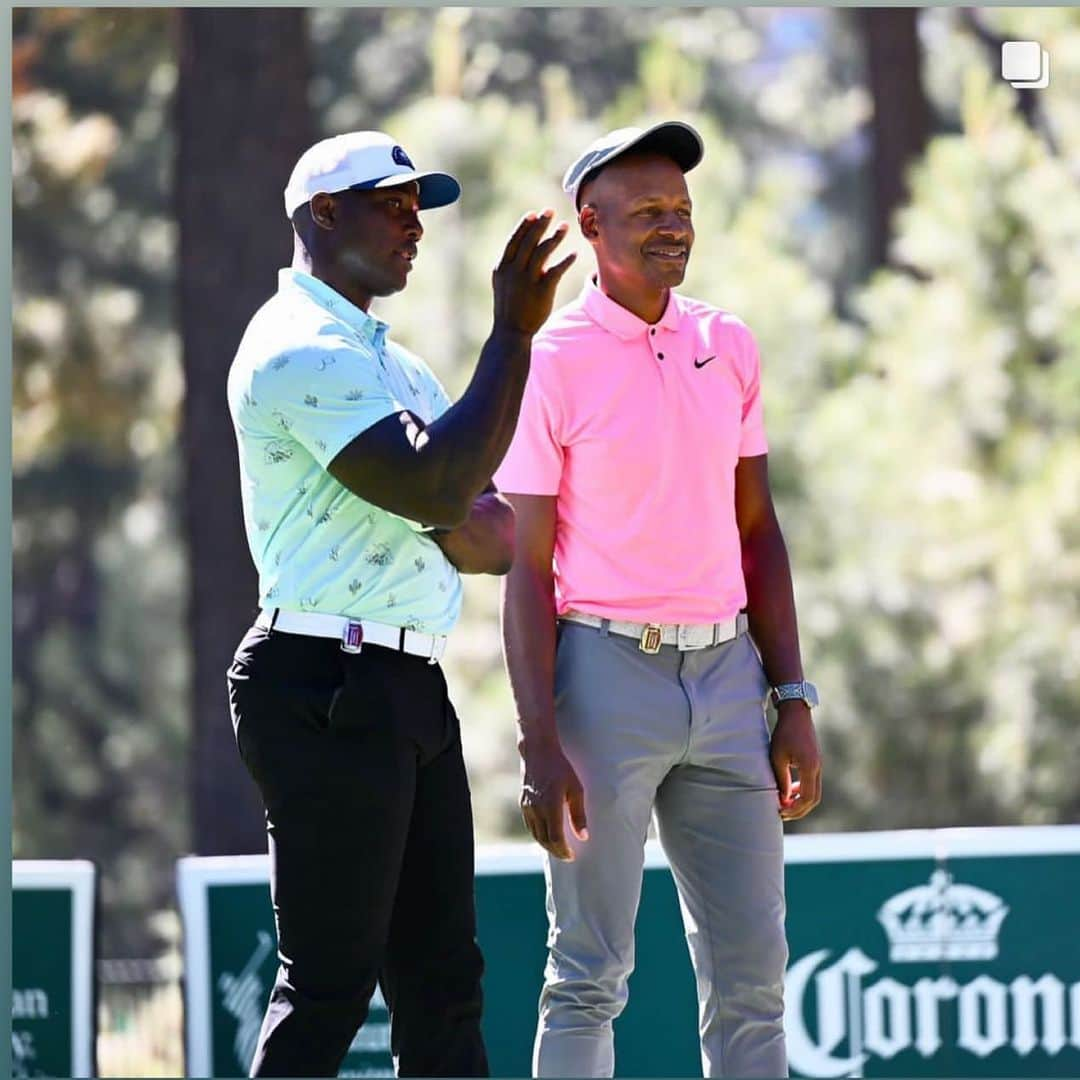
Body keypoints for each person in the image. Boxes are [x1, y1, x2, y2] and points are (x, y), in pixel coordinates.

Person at [225, 130, 574, 1078]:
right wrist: (509, 336)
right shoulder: (297, 347)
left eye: (420, 207)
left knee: (443, 980)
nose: (414, 226)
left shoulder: (392, 363)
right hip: (321, 681)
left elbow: (492, 536)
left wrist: (442, 491)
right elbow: (438, 494)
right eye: (393, 205)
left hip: (404, 686)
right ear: (323, 213)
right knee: (331, 984)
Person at [495, 121, 823, 1078]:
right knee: (589, 973)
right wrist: (539, 740)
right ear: (590, 225)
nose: (672, 227)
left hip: (729, 680)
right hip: (603, 678)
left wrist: (792, 698)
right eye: (647, 212)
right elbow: (526, 563)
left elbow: (758, 530)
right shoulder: (550, 360)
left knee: (755, 978)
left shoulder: (729, 343)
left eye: (681, 210)